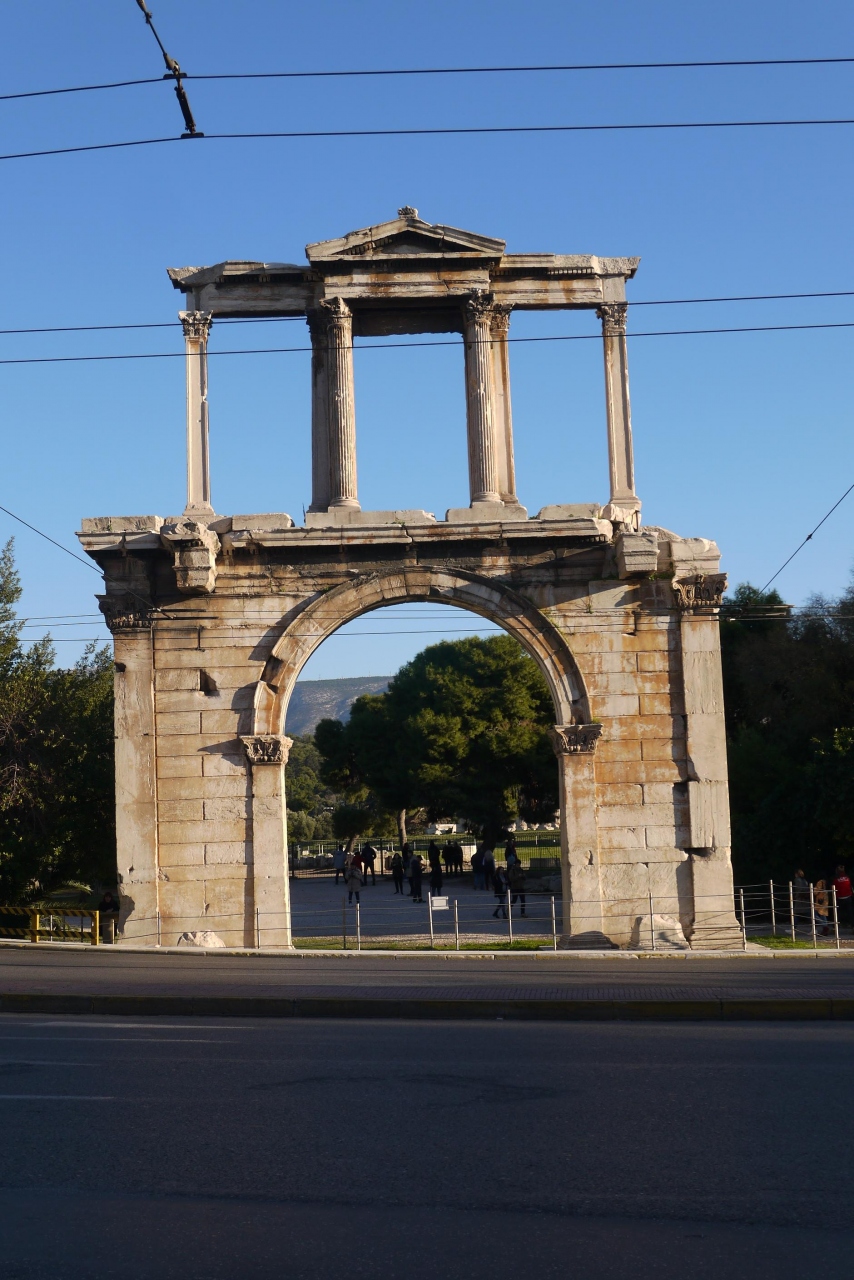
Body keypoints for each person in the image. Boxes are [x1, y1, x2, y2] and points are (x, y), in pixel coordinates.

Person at [833, 865, 854, 930]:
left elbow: (835, 888)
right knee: (850, 913)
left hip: (840, 898)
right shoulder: (847, 878)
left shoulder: (836, 879)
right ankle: (852, 926)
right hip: (848, 897)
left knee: (838, 913)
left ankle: (836, 926)